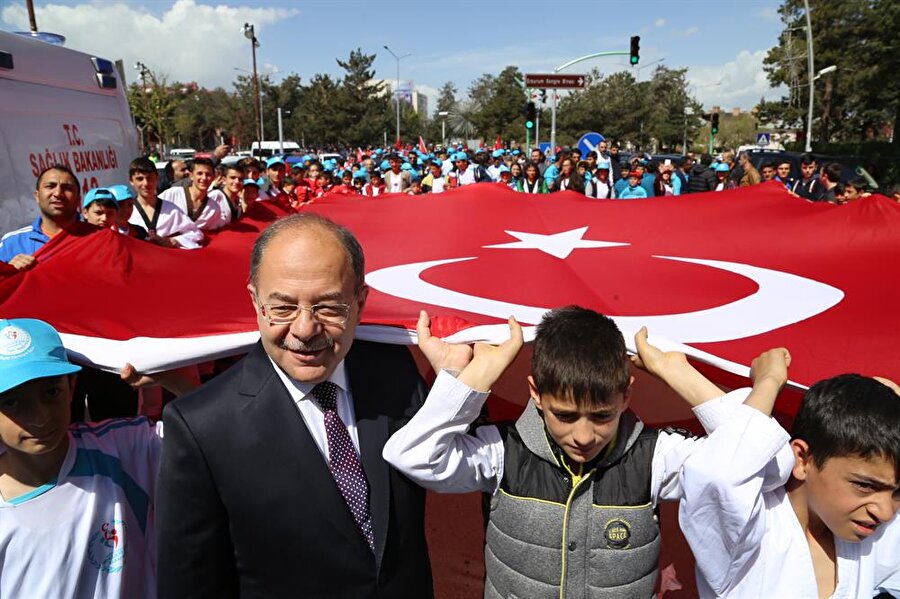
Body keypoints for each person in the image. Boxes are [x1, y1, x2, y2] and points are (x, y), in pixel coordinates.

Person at [157, 213, 436, 598]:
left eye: (328, 307)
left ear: (360, 300)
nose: (305, 329)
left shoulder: (396, 372)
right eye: (283, 308)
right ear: (255, 301)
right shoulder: (201, 427)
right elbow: (189, 584)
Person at [384, 307, 741, 599]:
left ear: (626, 396)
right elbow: (412, 456)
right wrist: (471, 375)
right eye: (565, 415)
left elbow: (754, 461)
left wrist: (677, 373)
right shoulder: (502, 451)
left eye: (602, 416)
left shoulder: (656, 456)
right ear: (536, 394)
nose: (583, 436)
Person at [678, 351, 900, 598]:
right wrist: (768, 381)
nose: (886, 512)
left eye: (898, 493)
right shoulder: (748, 536)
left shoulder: (871, 533)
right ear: (803, 459)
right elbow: (720, 475)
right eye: (865, 486)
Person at [0, 318, 163, 597]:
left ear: (72, 387)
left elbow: (221, 431)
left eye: (51, 393)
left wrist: (170, 377)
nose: (40, 419)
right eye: (12, 402)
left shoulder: (121, 448)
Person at [0, 165, 90, 270]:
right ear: (37, 196)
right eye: (50, 186)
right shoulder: (11, 243)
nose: (58, 193)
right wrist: (7, 272)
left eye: (67, 188)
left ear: (78, 199)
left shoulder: (101, 239)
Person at [127, 157, 205, 249]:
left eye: (150, 178)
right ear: (131, 181)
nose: (146, 183)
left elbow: (196, 234)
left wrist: (174, 241)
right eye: (140, 179)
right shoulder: (126, 211)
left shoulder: (171, 209)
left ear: (157, 178)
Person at [159, 157, 228, 231]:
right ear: (191, 176)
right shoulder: (173, 194)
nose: (204, 178)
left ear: (213, 177)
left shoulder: (214, 208)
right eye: (199, 173)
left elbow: (212, 234)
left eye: (208, 174)